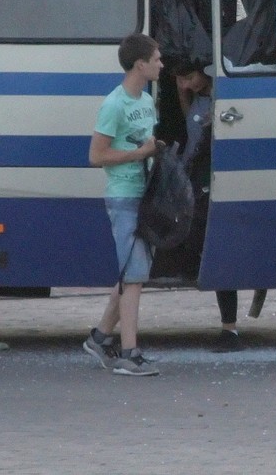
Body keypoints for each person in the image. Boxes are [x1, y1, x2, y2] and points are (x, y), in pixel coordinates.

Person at [82, 33, 163, 377]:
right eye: (157, 59)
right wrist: (139, 153)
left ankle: (100, 339)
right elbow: (96, 156)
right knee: (133, 278)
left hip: (143, 194)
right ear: (139, 65)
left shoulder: (146, 100)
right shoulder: (114, 104)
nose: (161, 64)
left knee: (132, 272)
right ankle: (129, 353)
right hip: (123, 195)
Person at [173, 59, 243, 351]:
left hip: (208, 182)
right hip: (194, 180)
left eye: (190, 78)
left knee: (217, 250)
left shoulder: (222, 104)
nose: (187, 84)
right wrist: (184, 92)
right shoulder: (200, 101)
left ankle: (230, 328)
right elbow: (190, 125)